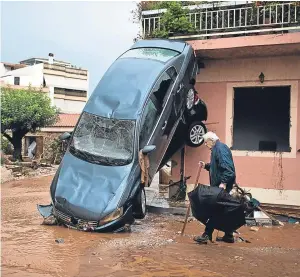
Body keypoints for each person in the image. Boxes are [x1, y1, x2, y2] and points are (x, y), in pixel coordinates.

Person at [194, 131, 236, 244]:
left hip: (220, 186)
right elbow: (217, 166)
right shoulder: (217, 149)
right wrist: (206, 166)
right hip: (219, 186)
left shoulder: (220, 149)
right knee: (221, 210)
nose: (205, 145)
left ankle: (207, 235)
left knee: (212, 209)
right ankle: (229, 235)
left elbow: (228, 169)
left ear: (211, 141)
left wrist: (223, 182)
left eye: (206, 142)